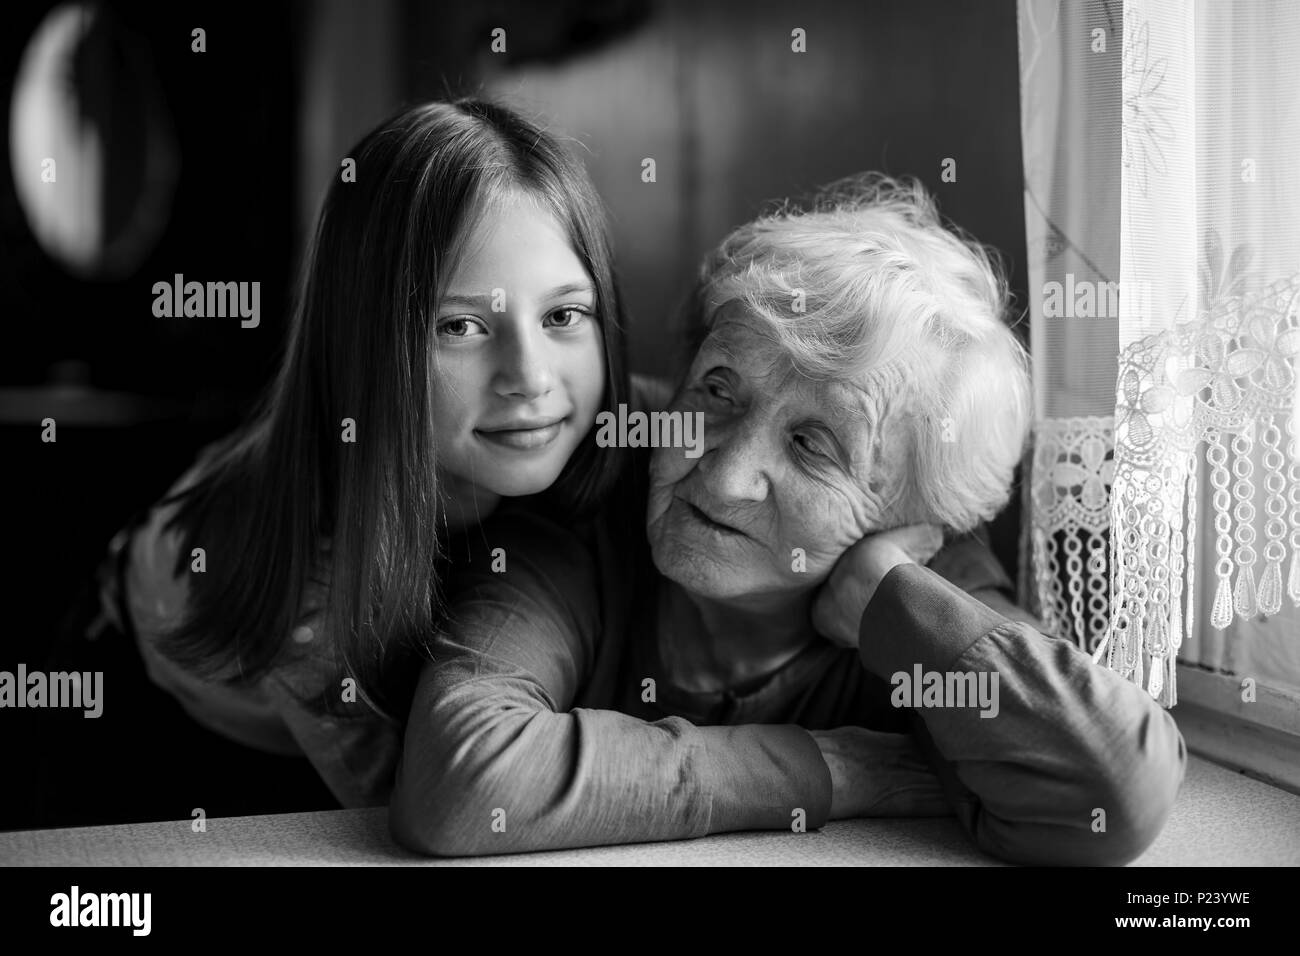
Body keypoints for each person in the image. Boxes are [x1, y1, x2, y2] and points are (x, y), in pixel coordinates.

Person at [391, 174, 1187, 865]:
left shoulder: (920, 600)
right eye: (718, 391)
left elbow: (1114, 785)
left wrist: (888, 602)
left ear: (910, 522)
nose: (726, 474)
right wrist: (836, 770)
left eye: (813, 444)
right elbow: (462, 781)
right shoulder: (594, 501)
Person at [89, 98, 633, 811]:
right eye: (461, 325)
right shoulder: (312, 588)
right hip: (154, 721)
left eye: (563, 315)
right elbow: (465, 813)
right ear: (365, 345)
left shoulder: (610, 435)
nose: (530, 378)